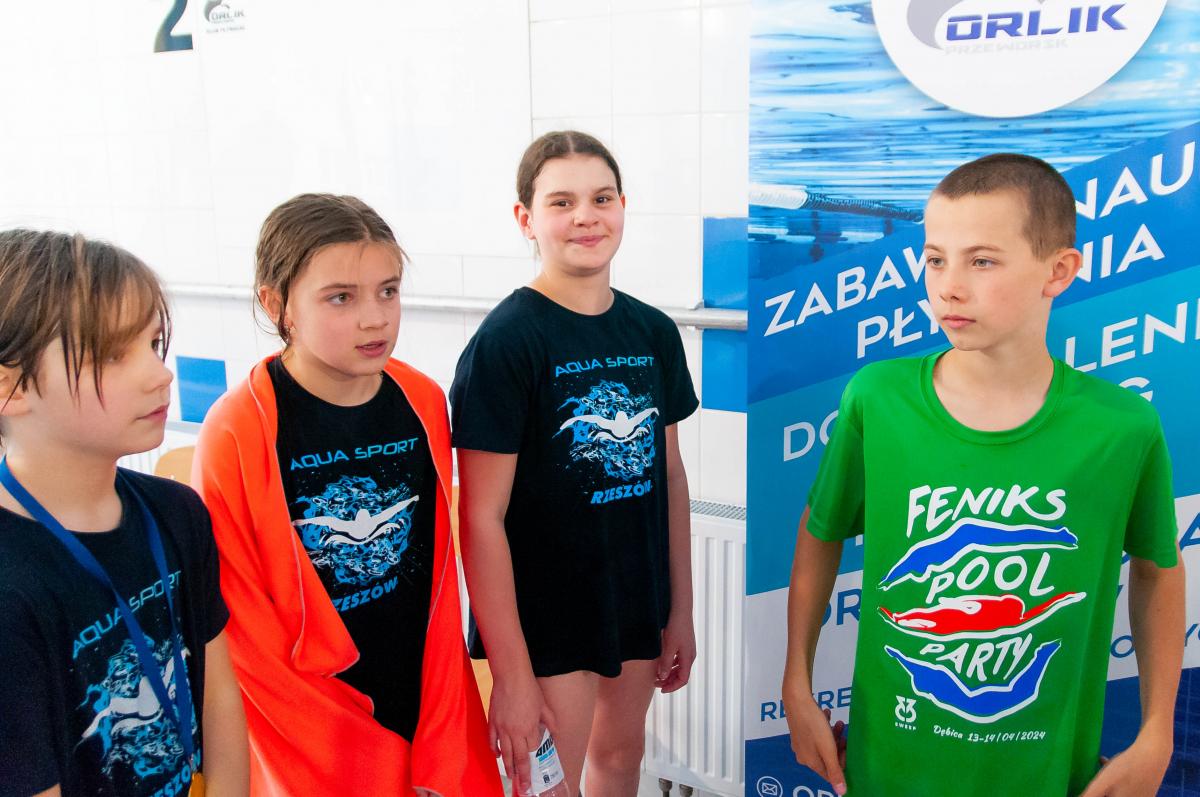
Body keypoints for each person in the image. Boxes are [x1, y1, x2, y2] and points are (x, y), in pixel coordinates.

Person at [782, 153, 1186, 797]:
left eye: (983, 261)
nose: (948, 287)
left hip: (1049, 775)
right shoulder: (878, 399)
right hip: (888, 770)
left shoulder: (1121, 427)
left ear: (1058, 271)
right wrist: (797, 686)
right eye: (935, 259)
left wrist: (1157, 732)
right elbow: (821, 530)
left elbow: (1158, 569)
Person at [192, 194, 500, 796]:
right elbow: (243, 634)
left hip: (423, 698)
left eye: (388, 291)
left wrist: (439, 727)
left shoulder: (422, 401)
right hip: (311, 730)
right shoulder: (238, 429)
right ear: (277, 305)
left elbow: (439, 584)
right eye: (341, 298)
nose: (375, 318)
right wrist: (344, 748)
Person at [451, 131, 700, 797]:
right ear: (526, 218)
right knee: (548, 786)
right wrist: (510, 670)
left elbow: (670, 476)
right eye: (561, 202)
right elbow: (480, 517)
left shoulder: (653, 332)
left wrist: (680, 609)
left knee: (620, 758)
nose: (586, 216)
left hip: (634, 599)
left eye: (601, 198)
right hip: (548, 616)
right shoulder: (506, 343)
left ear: (623, 206)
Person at [0, 229, 248, 797]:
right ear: (10, 388)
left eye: (154, 343)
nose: (160, 373)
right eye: (114, 353)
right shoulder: (12, 586)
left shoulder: (176, 510)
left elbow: (218, 695)